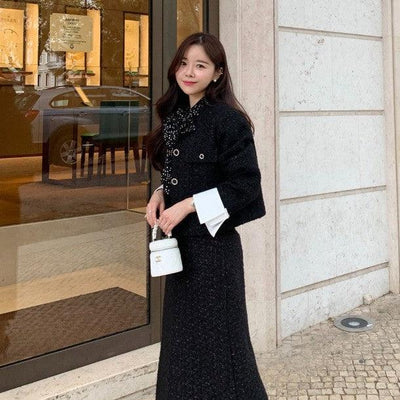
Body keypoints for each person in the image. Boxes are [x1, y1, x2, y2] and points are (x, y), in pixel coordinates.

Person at [145, 32, 268, 400]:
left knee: (222, 354)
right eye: (184, 63)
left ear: (217, 73)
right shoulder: (176, 116)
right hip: (180, 253)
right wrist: (161, 193)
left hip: (215, 257)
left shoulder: (228, 121)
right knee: (181, 350)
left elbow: (246, 185)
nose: (189, 72)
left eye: (200, 65)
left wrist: (188, 205)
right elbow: (182, 173)